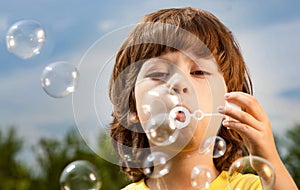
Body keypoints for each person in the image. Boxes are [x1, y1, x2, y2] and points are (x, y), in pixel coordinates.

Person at [108, 7, 297, 190]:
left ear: (228, 102)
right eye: (158, 73)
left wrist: (269, 159)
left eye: (198, 72)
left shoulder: (254, 187)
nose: (180, 84)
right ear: (132, 107)